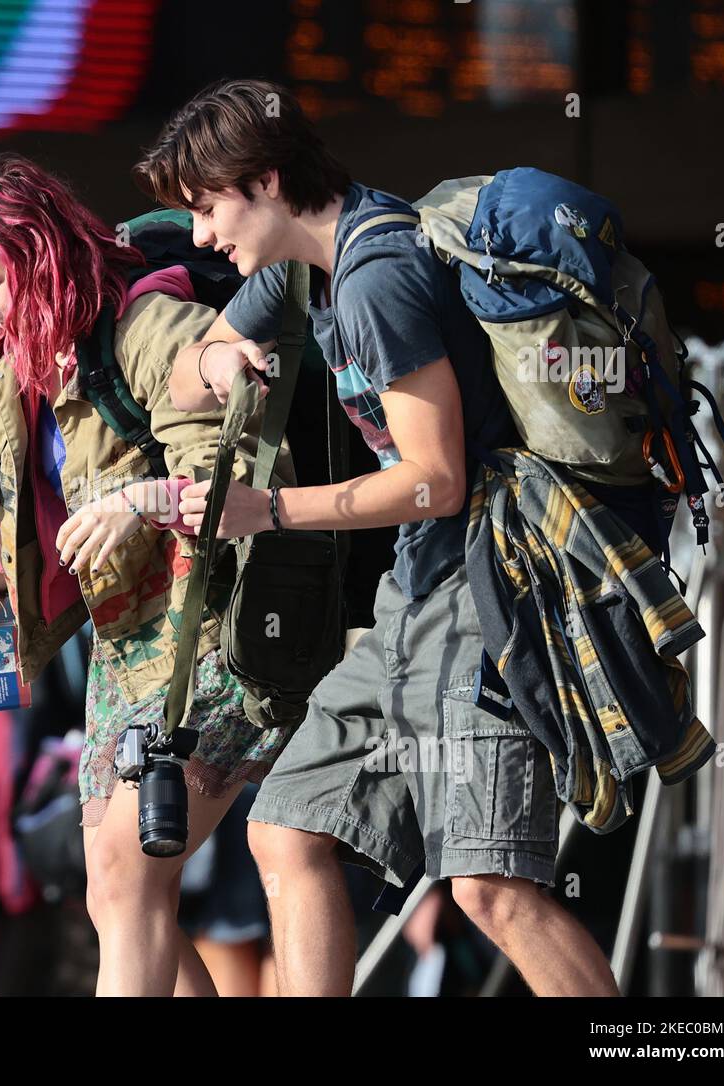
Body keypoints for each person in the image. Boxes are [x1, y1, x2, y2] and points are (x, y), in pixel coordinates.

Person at [134, 78, 620, 996]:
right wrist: (219, 353)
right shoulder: (295, 271)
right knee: (288, 827)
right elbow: (184, 383)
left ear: (267, 181)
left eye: (205, 209)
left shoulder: (377, 277)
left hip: (491, 591)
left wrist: (267, 512)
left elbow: (433, 482)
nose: (200, 235)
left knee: (489, 887)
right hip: (415, 595)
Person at [0, 152, 296, 996]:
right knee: (117, 891)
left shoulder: (145, 322)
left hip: (208, 628)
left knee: (130, 881)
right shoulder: (21, 362)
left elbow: (228, 477)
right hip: (124, 640)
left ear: (41, 256)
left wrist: (137, 500)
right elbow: (26, 497)